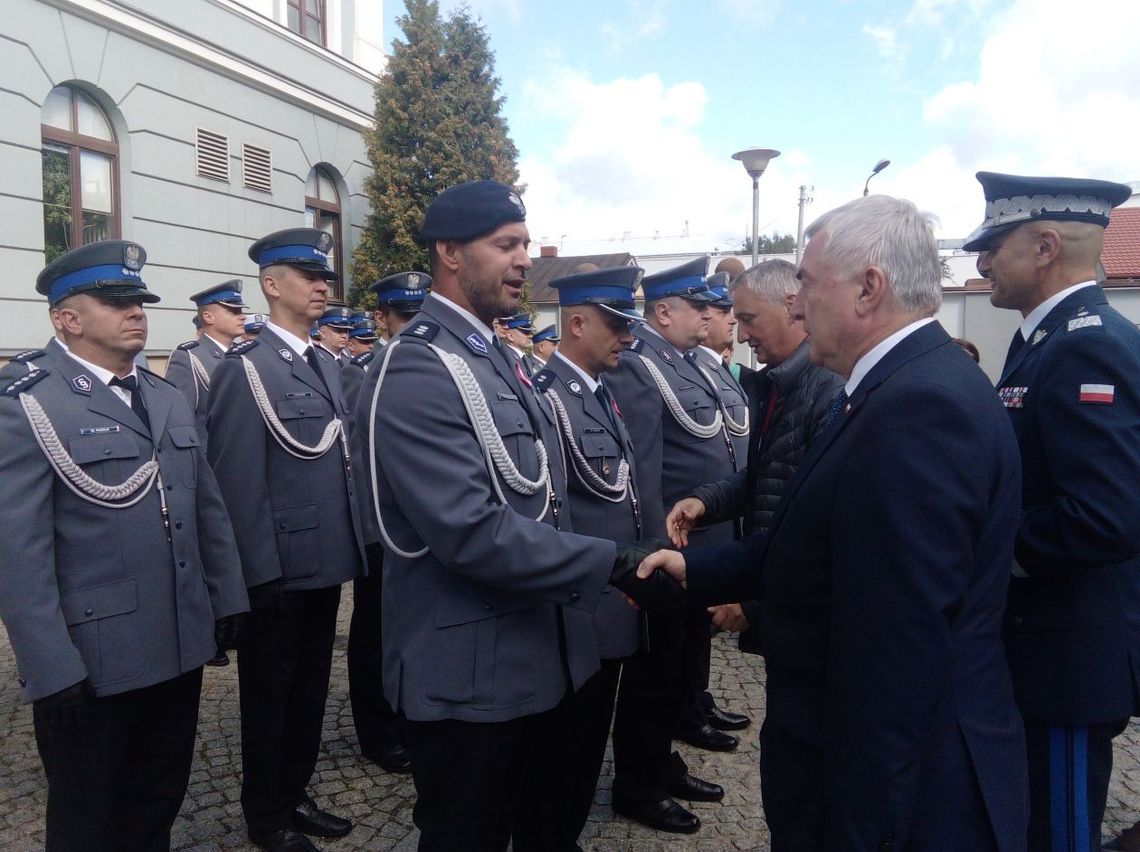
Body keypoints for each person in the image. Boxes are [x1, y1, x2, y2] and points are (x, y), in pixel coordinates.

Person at [639, 195, 1029, 851]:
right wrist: (692, 567)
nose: (794, 307)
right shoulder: (887, 387)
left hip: (899, 792)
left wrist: (863, 828)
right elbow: (812, 540)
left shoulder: (920, 406)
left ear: (868, 289)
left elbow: (897, 649)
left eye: (807, 288)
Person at [361, 179, 680, 851]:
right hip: (468, 675)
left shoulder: (493, 360)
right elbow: (472, 533)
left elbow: (546, 499)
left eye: (526, 243)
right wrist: (612, 562)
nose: (525, 259)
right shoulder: (419, 369)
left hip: (535, 658)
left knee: (546, 827)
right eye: (505, 244)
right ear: (450, 251)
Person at [0, 240, 248, 851]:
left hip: (178, 640)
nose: (135, 311)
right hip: (95, 656)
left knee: (157, 799)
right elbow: (17, 554)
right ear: (67, 318)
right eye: (116, 301)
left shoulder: (163, 398)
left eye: (138, 300)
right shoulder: (29, 402)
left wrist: (227, 598)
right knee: (88, 815)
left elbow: (204, 504)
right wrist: (50, 667)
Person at [965, 172, 1140, 852]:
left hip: (1067, 655)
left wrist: (987, 547)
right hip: (1042, 641)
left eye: (993, 246)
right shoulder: (1044, 339)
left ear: (1042, 246)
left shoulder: (1085, 343)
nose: (981, 264)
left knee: (1058, 834)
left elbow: (1105, 516)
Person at [206, 227, 366, 852]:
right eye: (309, 276)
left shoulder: (324, 363)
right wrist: (256, 574)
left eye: (324, 275)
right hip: (278, 568)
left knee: (309, 689)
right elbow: (235, 481)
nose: (323, 284)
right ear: (272, 286)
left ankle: (295, 792)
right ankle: (264, 813)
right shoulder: (244, 370)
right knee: (270, 696)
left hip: (324, 558)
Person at [604, 256, 738, 835]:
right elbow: (643, 468)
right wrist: (654, 551)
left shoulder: (685, 364)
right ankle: (638, 782)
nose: (708, 316)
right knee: (655, 673)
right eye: (698, 306)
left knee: (681, 664)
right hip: (669, 546)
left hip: (696, 545)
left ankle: (664, 760)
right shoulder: (639, 368)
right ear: (664, 311)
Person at [667, 259, 844, 659]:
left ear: (790, 304)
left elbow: (822, 523)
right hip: (784, 599)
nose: (742, 336)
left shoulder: (826, 387)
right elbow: (771, 474)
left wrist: (754, 603)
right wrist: (707, 502)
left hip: (803, 612)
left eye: (749, 319)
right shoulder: (784, 381)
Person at [531, 265, 648, 844]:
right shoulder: (549, 399)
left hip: (610, 600)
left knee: (586, 742)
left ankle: (563, 834)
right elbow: (556, 513)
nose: (628, 336)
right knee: (562, 747)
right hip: (582, 607)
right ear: (577, 322)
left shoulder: (601, 394)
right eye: (617, 324)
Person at [343, 270, 431, 776]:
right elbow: (360, 460)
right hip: (382, 526)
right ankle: (377, 730)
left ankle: (409, 713)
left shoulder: (432, 367)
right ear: (383, 320)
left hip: (423, 526)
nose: (415, 326)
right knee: (375, 632)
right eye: (405, 317)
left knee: (411, 628)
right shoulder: (364, 371)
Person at [164, 279, 248, 453]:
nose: (242, 316)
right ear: (208, 317)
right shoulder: (188, 357)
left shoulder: (245, 355)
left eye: (241, 310)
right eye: (233, 311)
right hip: (213, 462)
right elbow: (179, 423)